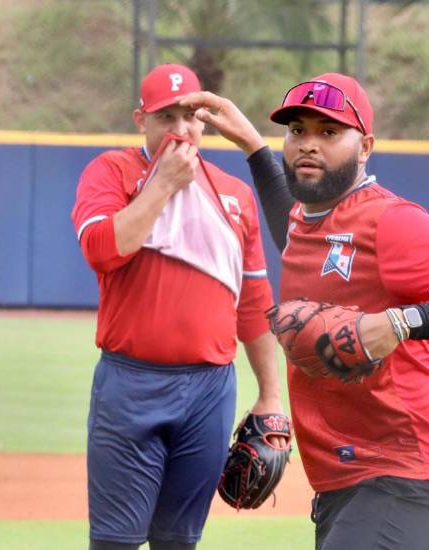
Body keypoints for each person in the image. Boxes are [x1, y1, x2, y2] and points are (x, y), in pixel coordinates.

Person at [178, 74, 429, 550]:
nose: (309, 144)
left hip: (409, 474)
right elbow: (288, 225)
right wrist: (253, 145)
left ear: (365, 147)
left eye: (329, 132)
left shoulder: (390, 219)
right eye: (298, 131)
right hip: (344, 480)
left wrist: (399, 323)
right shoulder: (307, 220)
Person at [70, 63, 287, 550]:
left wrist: (271, 394)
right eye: (165, 117)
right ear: (140, 120)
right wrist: (163, 184)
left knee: (178, 541)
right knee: (115, 541)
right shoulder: (111, 172)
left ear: (205, 120)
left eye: (190, 115)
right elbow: (103, 249)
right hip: (130, 384)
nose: (180, 129)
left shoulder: (235, 196)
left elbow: (253, 302)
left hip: (209, 391)